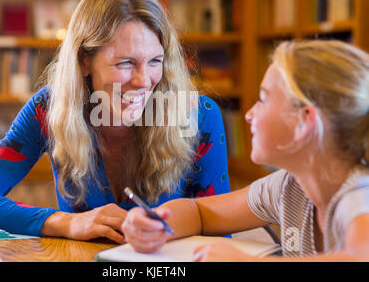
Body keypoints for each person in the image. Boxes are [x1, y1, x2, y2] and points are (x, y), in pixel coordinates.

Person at [0, 0, 231, 243]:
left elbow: (220, 234)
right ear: (84, 61)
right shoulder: (49, 108)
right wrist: (65, 222)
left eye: (156, 61)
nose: (144, 81)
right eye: (126, 63)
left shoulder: (198, 115)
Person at [122, 40, 369, 261]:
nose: (249, 115)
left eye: (263, 99)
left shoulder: (359, 191)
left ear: (304, 121)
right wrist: (156, 224)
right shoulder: (289, 187)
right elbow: (201, 212)